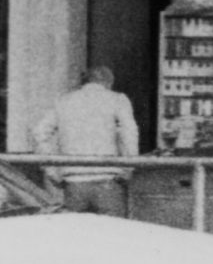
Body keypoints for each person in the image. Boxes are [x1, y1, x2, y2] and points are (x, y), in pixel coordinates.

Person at [32, 65, 140, 217]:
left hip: (74, 183)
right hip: (108, 181)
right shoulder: (118, 100)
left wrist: (52, 171)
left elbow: (39, 132)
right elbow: (130, 134)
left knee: (78, 237)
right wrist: (128, 168)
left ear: (84, 82)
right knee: (113, 237)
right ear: (109, 82)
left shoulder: (63, 101)